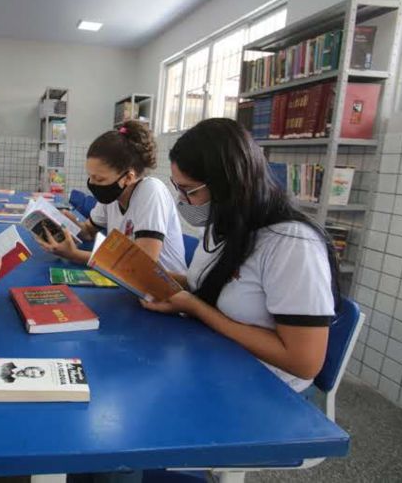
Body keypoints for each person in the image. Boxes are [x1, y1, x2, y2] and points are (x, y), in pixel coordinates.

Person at [143, 117, 338, 392]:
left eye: (189, 191)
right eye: (178, 189)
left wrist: (195, 307)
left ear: (227, 183)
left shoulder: (292, 244)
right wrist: (146, 276)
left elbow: (303, 362)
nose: (183, 202)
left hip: (263, 385)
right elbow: (206, 284)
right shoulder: (224, 225)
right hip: (213, 356)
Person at [36, 120, 186, 274]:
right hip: (129, 281)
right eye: (91, 177)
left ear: (128, 177)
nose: (93, 184)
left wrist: (75, 254)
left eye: (99, 179)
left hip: (165, 291)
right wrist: (71, 225)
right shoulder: (112, 195)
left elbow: (141, 266)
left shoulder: (151, 191)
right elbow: (88, 232)